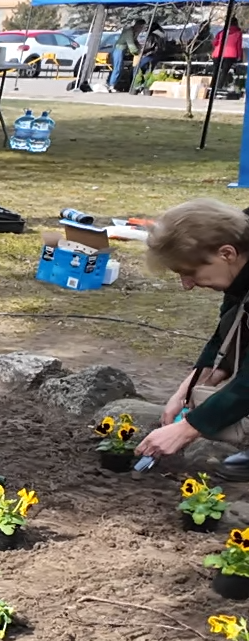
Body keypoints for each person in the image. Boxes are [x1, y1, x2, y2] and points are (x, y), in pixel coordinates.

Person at [135, 200, 249, 479]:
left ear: (226, 253)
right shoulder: (238, 249)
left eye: (190, 272)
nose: (187, 285)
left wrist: (187, 429)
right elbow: (231, 328)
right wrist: (190, 387)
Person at [111, 18, 144, 92]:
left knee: (119, 68)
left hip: (122, 50)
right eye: (141, 27)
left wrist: (140, 47)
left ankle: (113, 84)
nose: (142, 29)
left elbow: (135, 41)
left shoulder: (134, 31)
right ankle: (111, 85)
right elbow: (131, 43)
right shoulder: (129, 31)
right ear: (138, 26)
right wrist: (137, 52)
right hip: (118, 49)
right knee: (117, 68)